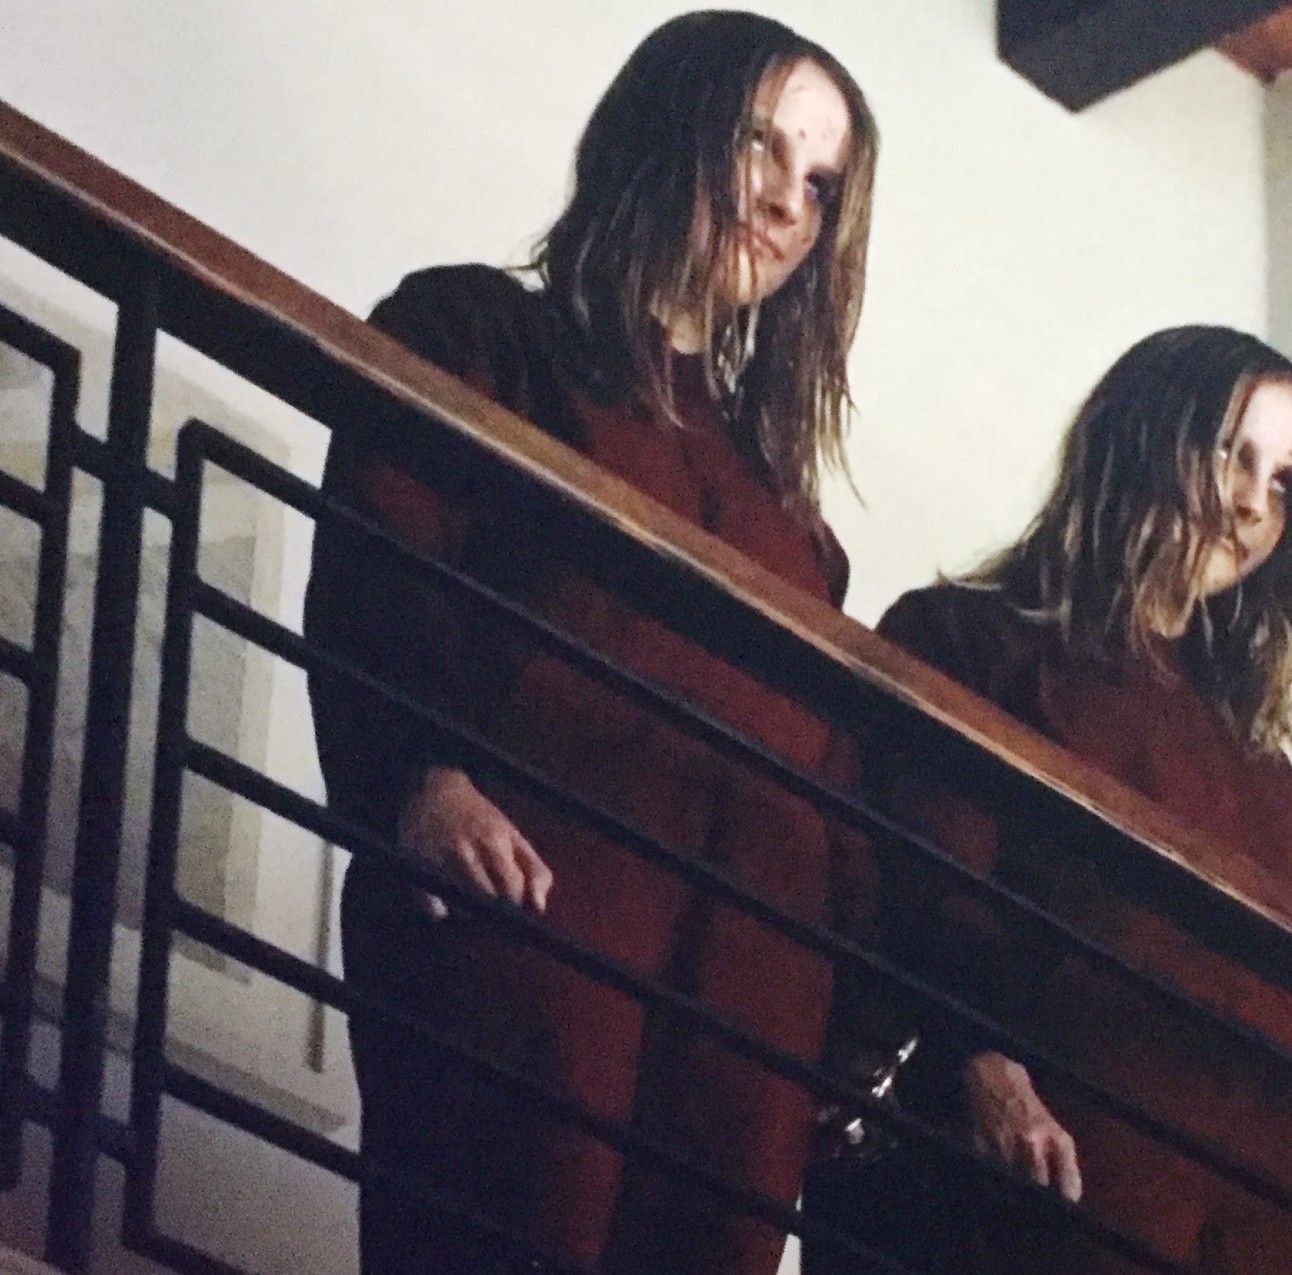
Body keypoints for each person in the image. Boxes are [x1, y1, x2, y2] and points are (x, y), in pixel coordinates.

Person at [303, 12, 878, 1275]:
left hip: (744, 1012)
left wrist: (835, 1035)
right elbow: (381, 563)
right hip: (535, 910)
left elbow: (833, 795)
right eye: (761, 147)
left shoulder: (792, 525)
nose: (789, 201)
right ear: (667, 131)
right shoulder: (479, 337)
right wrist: (417, 771)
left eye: (823, 183)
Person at [809, 327, 1292, 1273]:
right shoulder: (973, 641)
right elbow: (932, 876)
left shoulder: (1265, 776)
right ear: (1147, 438)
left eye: (1283, 480)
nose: (1251, 503)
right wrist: (980, 1057)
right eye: (1234, 453)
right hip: (1090, 1176)